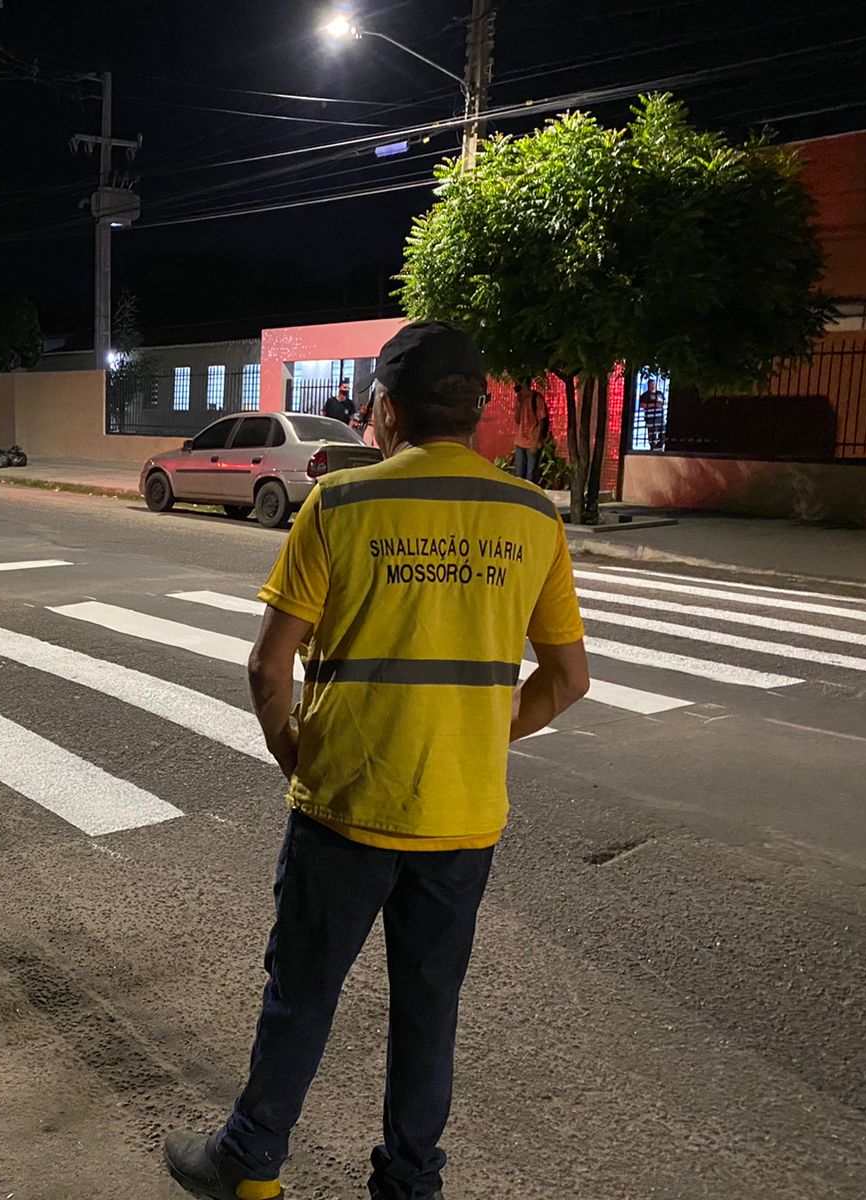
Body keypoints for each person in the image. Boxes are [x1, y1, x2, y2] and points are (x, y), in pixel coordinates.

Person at [163, 322, 591, 1200]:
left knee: (303, 991)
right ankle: (409, 1184)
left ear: (387, 410)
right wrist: (475, 735)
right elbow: (568, 679)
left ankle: (249, 1161)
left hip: (345, 806)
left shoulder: (343, 505)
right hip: (462, 819)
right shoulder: (532, 516)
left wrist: (293, 752)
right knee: (429, 1009)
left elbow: (265, 664)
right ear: (475, 413)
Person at [512, 378, 550, 483]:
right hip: (520, 441)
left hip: (532, 440)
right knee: (519, 474)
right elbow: (517, 420)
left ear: (524, 383)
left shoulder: (536, 399)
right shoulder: (519, 399)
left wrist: (536, 441)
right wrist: (519, 404)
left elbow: (542, 421)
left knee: (531, 475)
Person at [638, 377, 666, 451]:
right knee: (652, 433)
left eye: (654, 384)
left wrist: (660, 403)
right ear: (648, 385)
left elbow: (663, 402)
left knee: (662, 431)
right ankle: (653, 447)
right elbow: (641, 405)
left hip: (660, 417)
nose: (653, 386)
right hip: (650, 417)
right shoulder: (645, 395)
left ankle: (660, 446)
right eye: (651, 384)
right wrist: (653, 405)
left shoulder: (659, 393)